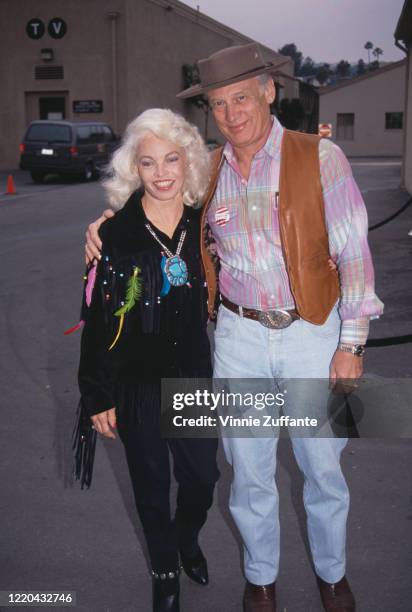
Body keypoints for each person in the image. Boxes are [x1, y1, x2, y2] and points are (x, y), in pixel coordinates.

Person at [85, 44, 384, 612]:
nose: (232, 113)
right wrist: (103, 226)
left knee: (322, 466)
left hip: (312, 334)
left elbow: (354, 254)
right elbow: (152, 203)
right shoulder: (210, 171)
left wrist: (352, 343)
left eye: (242, 97)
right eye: (219, 104)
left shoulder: (321, 158)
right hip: (238, 340)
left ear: (270, 92)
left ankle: (333, 574)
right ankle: (262, 576)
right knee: (249, 472)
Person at [77, 108, 219, 612]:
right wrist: (96, 394)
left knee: (202, 479)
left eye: (172, 159)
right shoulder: (116, 235)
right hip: (136, 382)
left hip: (193, 376)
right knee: (152, 489)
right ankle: (165, 574)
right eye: (148, 162)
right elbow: (96, 322)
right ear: (132, 169)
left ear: (189, 161)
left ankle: (186, 539)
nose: (161, 173)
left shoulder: (207, 220)